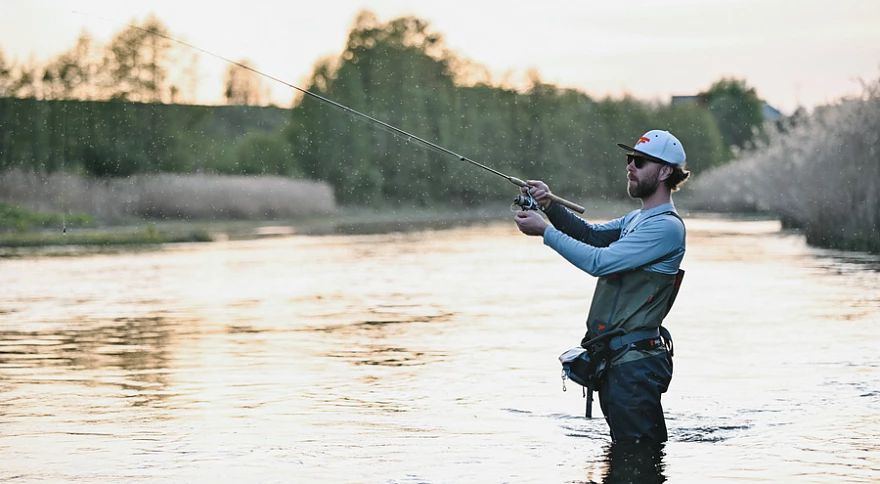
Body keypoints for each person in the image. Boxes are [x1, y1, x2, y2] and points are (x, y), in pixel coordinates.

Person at [514, 129, 690, 444]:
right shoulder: (636, 218)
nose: (630, 167)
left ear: (665, 172)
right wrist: (550, 205)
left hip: (635, 366)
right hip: (618, 361)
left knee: (638, 458)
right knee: (625, 457)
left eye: (639, 161)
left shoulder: (667, 228)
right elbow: (592, 235)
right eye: (629, 159)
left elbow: (600, 262)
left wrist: (544, 232)